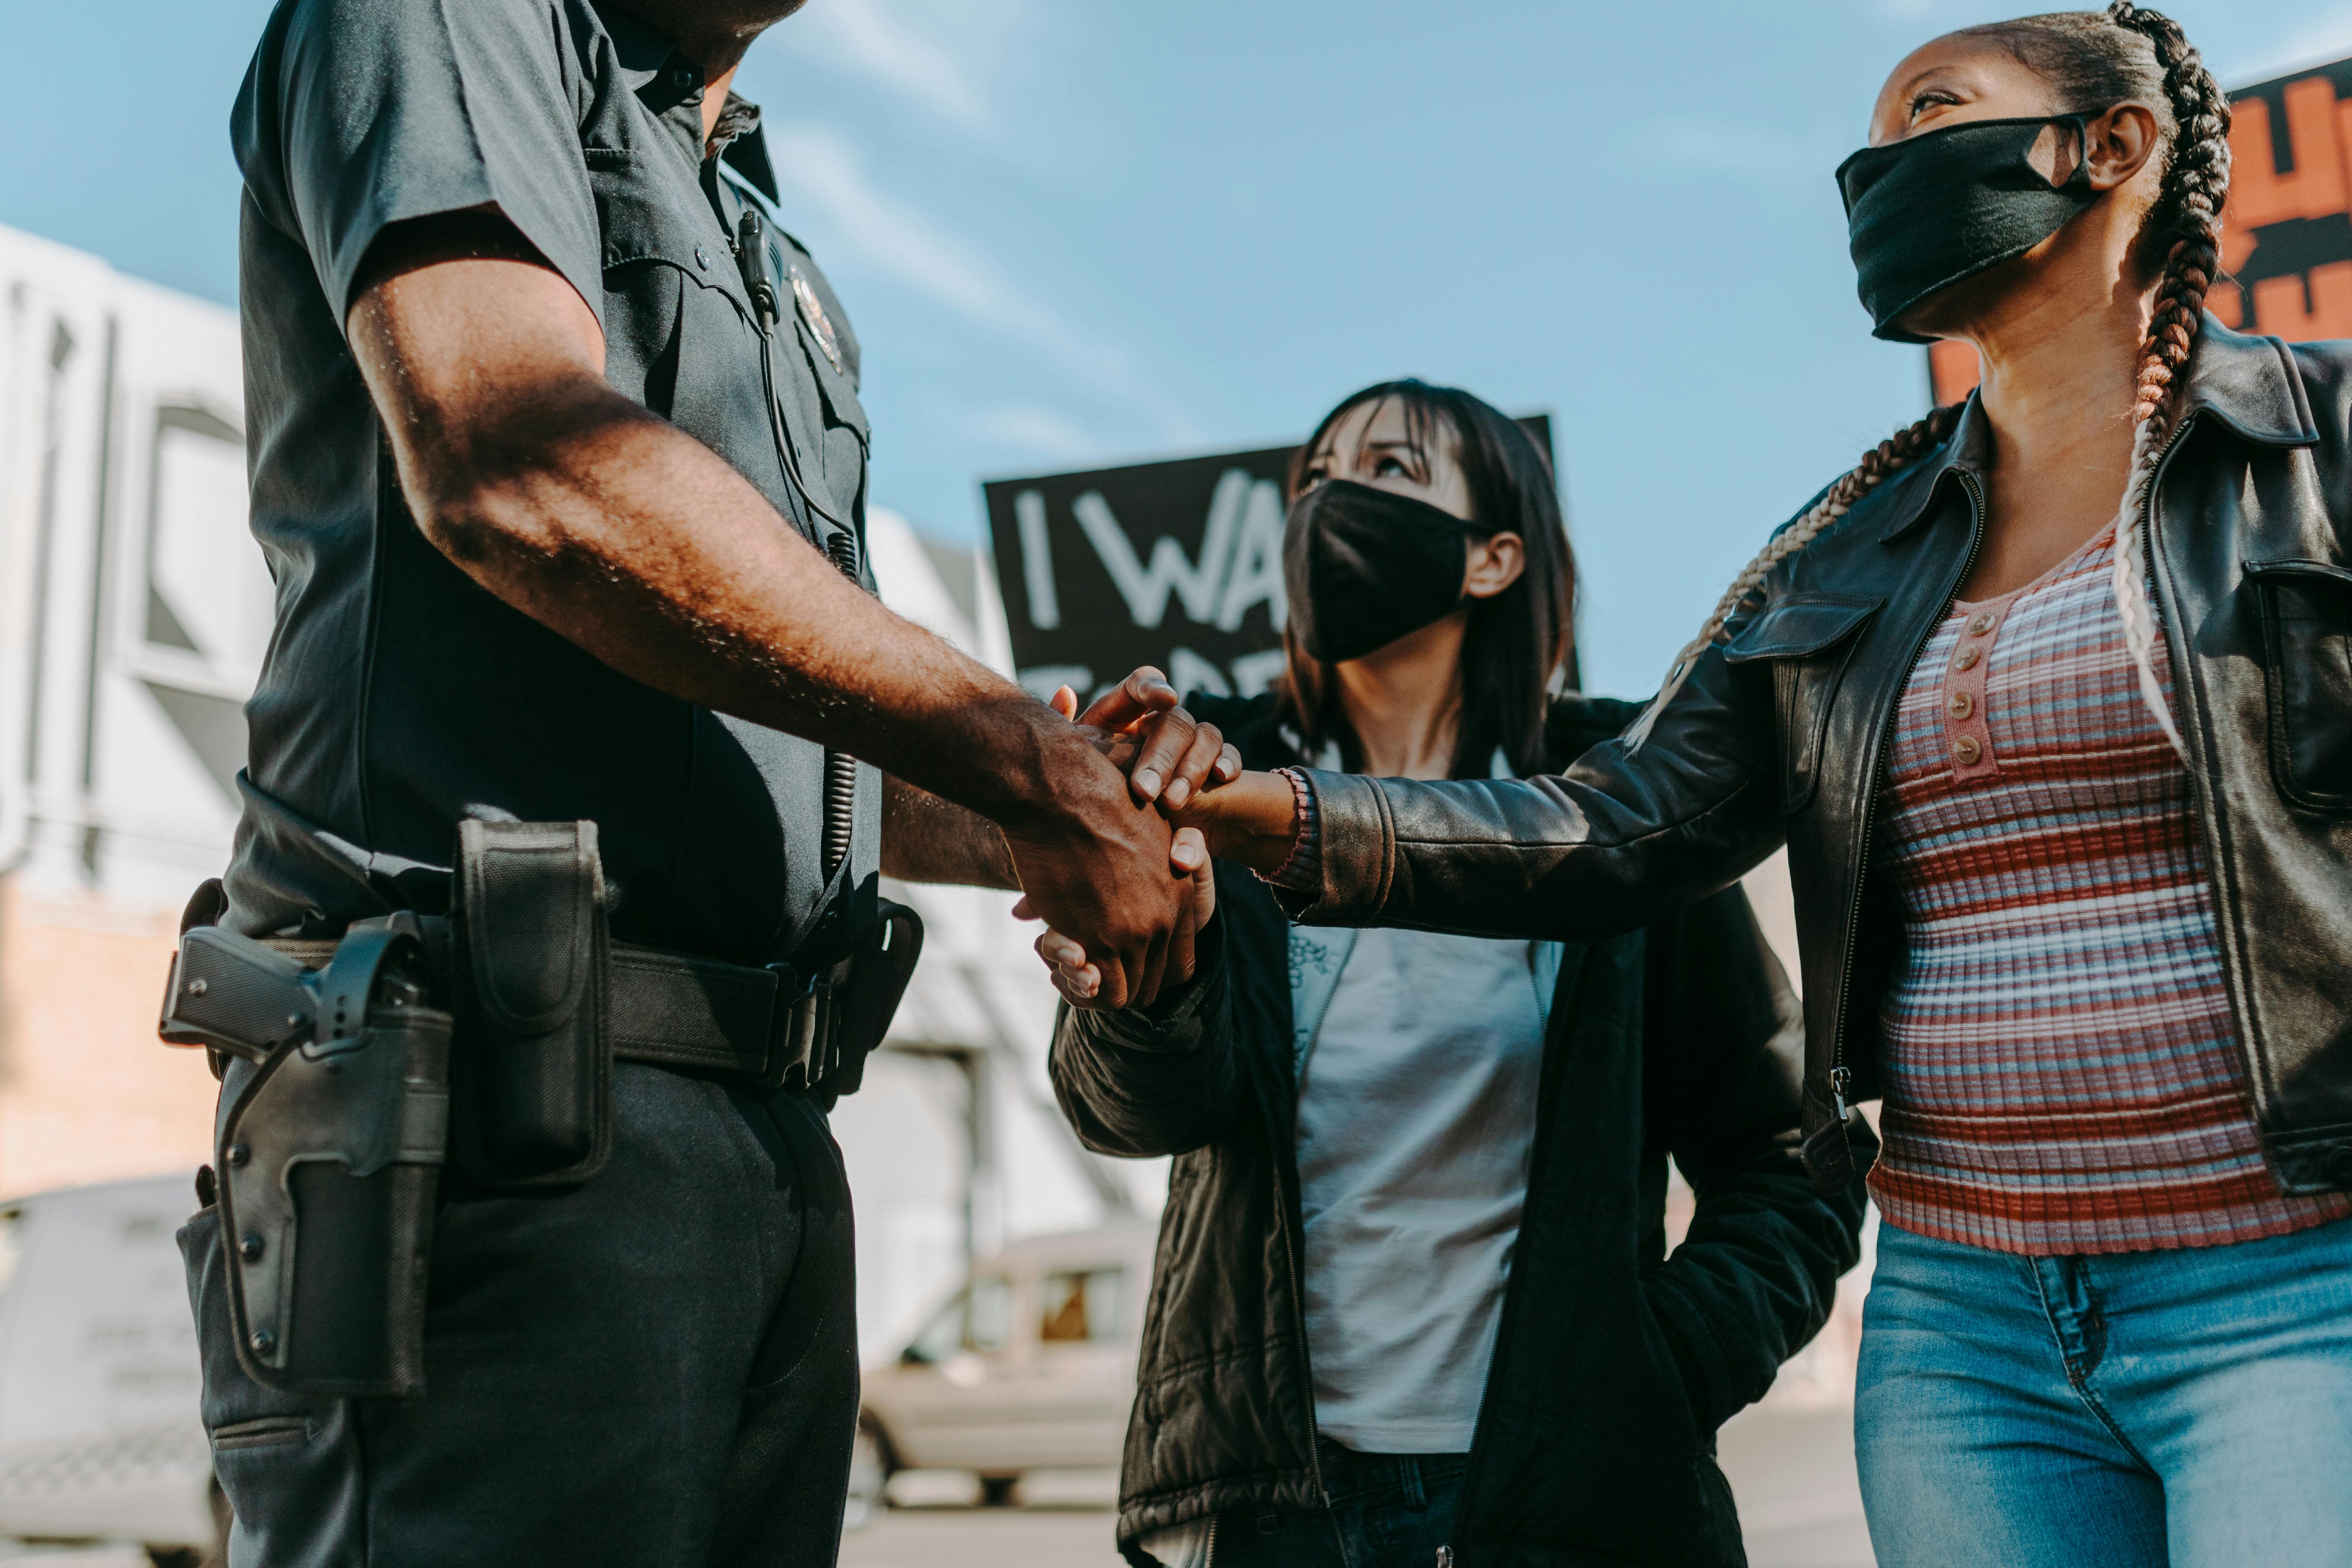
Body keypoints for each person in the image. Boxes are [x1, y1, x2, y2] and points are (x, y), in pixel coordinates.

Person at [1103, 7, 2352, 1566]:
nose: (1871, 169)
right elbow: (1612, 825)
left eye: (1931, 112)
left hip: (2292, 1284)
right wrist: (1274, 815)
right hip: (1970, 1326)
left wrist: (1646, 1374)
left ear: (2111, 150)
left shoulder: (2323, 447)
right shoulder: (1839, 551)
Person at [184, 2, 1225, 1565]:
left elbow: (806, 741)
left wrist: (1076, 802)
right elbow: (518, 459)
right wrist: (1026, 753)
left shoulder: (765, 244)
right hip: (499, 1122)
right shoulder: (450, 19)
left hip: (763, 1135)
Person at [1037, 382, 1868, 1568]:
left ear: (1493, 558)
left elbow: (1788, 1159)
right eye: (1314, 474)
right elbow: (1132, 1116)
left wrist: (1662, 1369)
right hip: (1274, 1509)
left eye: (1385, 468)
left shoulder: (1620, 805)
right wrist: (1137, 987)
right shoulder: (1203, 780)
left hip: (1569, 1501)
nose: (1330, 499)